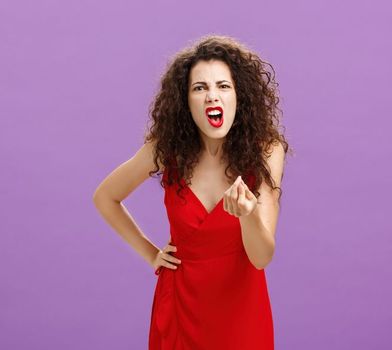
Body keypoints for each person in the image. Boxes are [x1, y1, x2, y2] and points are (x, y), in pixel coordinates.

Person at [92, 34, 290, 350]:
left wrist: (249, 215)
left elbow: (261, 256)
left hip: (241, 313)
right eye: (200, 88)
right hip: (180, 308)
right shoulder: (164, 150)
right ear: (186, 100)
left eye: (223, 86)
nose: (213, 96)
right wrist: (150, 252)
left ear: (240, 95)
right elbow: (105, 197)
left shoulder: (267, 151)